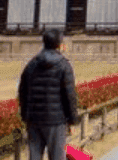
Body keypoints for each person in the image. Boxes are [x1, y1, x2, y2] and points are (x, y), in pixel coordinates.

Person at [18, 28, 80, 160]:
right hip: (56, 120)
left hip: (34, 119)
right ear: (59, 44)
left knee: (34, 156)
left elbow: (22, 91)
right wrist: (72, 120)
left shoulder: (32, 64)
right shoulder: (64, 65)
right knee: (57, 156)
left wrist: (25, 116)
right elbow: (69, 95)